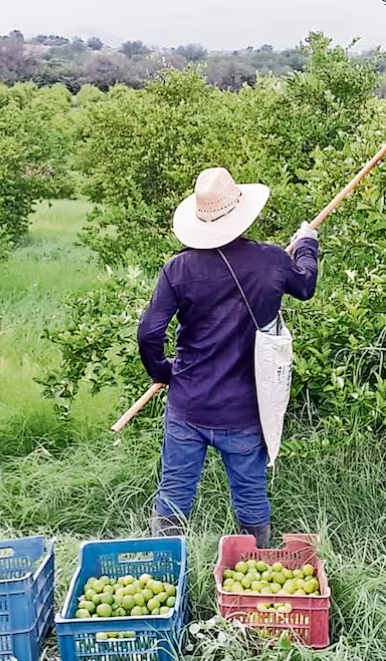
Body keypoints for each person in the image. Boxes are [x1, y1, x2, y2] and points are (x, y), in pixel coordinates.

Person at [137, 167, 320, 548]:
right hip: (244, 409)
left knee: (174, 493)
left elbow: (149, 333)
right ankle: (256, 562)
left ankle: (165, 567)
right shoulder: (271, 260)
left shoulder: (178, 269)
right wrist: (306, 244)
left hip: (189, 403)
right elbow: (304, 284)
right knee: (251, 496)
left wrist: (165, 372)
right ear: (240, 213)